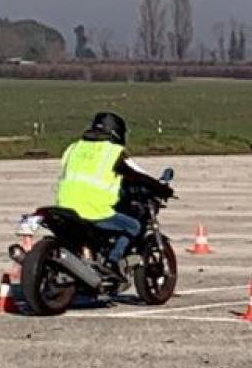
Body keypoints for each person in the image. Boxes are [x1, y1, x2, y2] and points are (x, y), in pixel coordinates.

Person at [54, 112, 172, 278]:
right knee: (134, 226)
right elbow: (134, 175)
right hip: (93, 209)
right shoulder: (111, 152)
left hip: (65, 205)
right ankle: (113, 261)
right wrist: (161, 188)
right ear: (117, 132)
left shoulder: (74, 148)